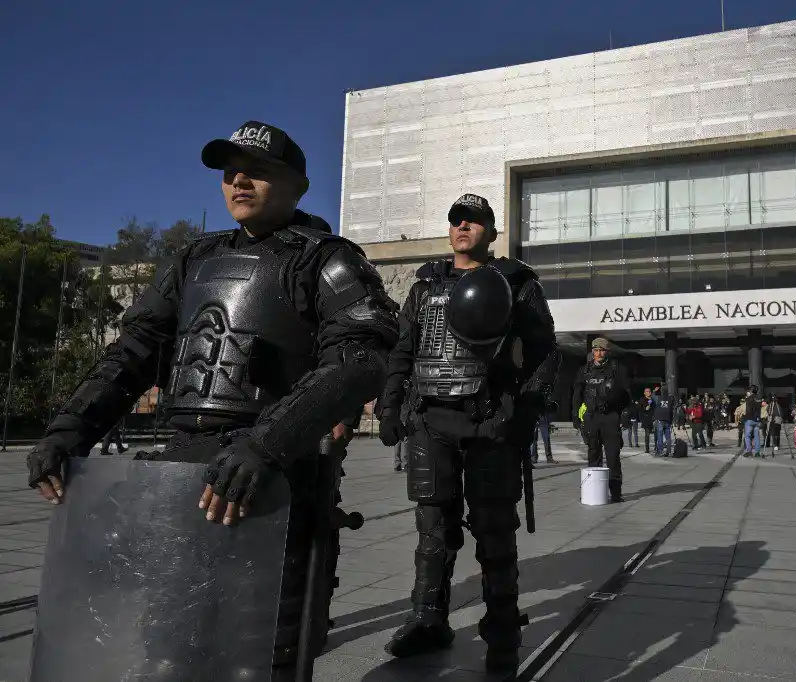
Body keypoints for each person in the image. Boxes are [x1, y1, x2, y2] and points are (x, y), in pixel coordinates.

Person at [25, 120, 400, 680]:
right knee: (169, 640)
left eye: (258, 171)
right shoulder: (190, 260)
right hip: (180, 480)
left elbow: (363, 356)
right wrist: (67, 432)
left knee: (262, 652)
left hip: (274, 481)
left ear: (297, 184)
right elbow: (133, 353)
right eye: (229, 173)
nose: (239, 181)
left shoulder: (327, 259)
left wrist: (265, 445)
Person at [373, 194, 557, 674]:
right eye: (456, 220)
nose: (462, 226)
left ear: (491, 232)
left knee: (495, 530)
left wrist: (521, 415)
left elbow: (544, 352)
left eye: (473, 221)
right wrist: (390, 407)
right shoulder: (425, 285)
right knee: (432, 529)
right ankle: (426, 619)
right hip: (432, 422)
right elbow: (403, 350)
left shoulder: (517, 283)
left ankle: (502, 629)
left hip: (489, 421)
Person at [574, 338, 631, 497]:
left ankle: (615, 493)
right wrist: (575, 416)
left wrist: (625, 415)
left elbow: (627, 394)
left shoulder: (617, 369)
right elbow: (577, 395)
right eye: (596, 350)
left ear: (607, 351)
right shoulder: (584, 370)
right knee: (593, 454)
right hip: (592, 417)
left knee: (613, 456)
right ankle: (594, 492)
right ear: (592, 351)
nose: (599, 353)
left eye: (602, 350)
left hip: (610, 417)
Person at [650, 385, 675, 457]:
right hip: (667, 419)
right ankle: (669, 451)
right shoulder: (670, 398)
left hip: (660, 420)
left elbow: (652, 397)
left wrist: (654, 391)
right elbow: (671, 409)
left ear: (661, 391)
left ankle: (660, 451)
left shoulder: (658, 398)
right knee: (668, 437)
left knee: (660, 436)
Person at [740, 386, 762, 457]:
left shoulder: (749, 399)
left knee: (747, 436)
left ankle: (749, 451)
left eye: (748, 391)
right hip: (757, 420)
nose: (747, 392)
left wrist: (744, 417)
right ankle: (757, 452)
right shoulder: (759, 398)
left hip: (750, 419)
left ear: (751, 391)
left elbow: (749, 410)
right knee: (756, 436)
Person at [639, 388, 655, 453]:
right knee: (647, 434)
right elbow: (639, 409)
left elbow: (655, 408)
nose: (648, 392)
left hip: (653, 419)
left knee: (656, 434)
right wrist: (645, 409)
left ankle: (657, 447)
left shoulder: (653, 400)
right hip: (646, 420)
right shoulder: (642, 400)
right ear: (644, 393)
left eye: (649, 391)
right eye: (647, 391)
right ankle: (647, 449)